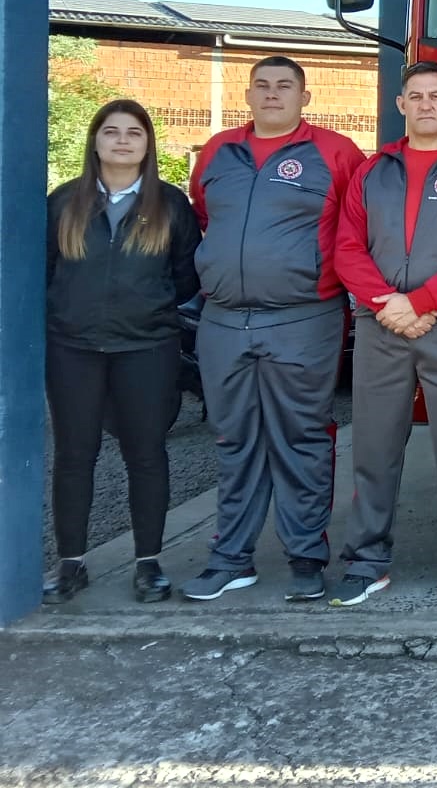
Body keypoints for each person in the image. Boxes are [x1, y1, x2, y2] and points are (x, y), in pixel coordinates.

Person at [182, 56, 365, 604]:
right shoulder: (217, 152)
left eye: (285, 86)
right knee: (234, 438)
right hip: (223, 321)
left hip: (304, 318)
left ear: (304, 98)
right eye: (262, 86)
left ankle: (306, 557)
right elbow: (205, 217)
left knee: (303, 439)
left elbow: (359, 225)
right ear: (248, 94)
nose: (272, 94)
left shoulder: (336, 154)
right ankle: (231, 558)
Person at [329, 61, 437, 608]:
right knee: (375, 448)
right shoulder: (370, 171)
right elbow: (347, 248)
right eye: (416, 96)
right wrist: (391, 305)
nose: (427, 104)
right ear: (401, 105)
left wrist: (423, 302)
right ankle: (367, 561)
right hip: (382, 325)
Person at [42, 100, 201, 604]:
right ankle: (70, 563)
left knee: (146, 455)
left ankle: (148, 564)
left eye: (134, 133)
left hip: (148, 348)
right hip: (74, 348)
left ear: (147, 144)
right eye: (111, 132)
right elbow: (44, 273)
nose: (123, 141)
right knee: (73, 456)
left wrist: (145, 311)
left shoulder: (171, 205)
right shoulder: (63, 202)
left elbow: (185, 277)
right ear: (95, 142)